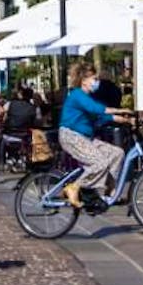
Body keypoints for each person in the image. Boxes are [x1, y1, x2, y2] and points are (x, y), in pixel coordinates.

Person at [57, 62, 133, 210]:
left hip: (85, 138)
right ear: (84, 80)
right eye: (94, 79)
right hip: (71, 137)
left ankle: (110, 192)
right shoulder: (77, 95)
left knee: (117, 153)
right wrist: (120, 110)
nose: (97, 82)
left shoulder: (89, 97)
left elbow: (100, 116)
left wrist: (124, 119)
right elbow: (96, 109)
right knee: (99, 162)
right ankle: (74, 187)